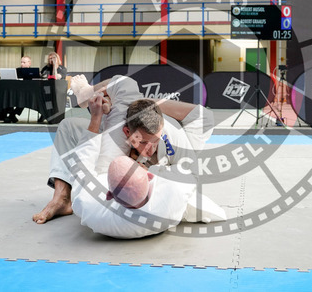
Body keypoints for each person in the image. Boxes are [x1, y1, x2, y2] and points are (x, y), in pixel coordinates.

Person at [32, 74, 214, 226]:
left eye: (154, 142)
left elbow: (191, 176)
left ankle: (104, 99)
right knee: (68, 126)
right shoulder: (122, 138)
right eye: (143, 142)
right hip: (132, 121)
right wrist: (133, 105)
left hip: (141, 136)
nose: (149, 149)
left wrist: (152, 171)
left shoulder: (175, 143)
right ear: (127, 132)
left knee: (125, 87)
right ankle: (62, 197)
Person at [0, 55, 32, 123]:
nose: (22, 64)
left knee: (23, 99)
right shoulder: (17, 70)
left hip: (26, 92)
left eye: (24, 62)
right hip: (15, 90)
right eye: (21, 62)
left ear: (29, 63)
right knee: (8, 96)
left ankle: (12, 114)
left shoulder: (33, 71)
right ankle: (11, 115)